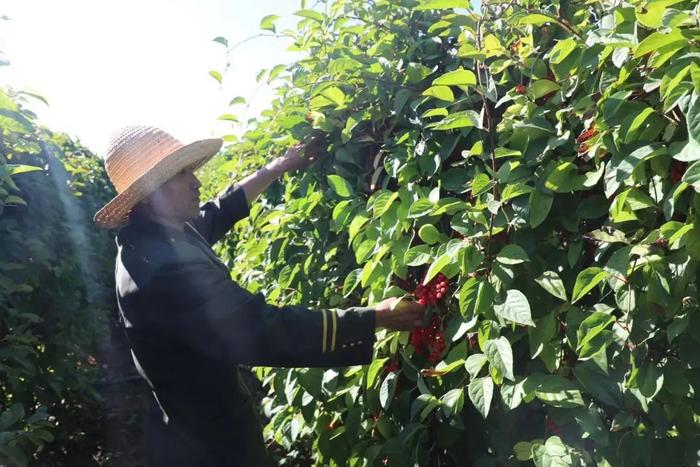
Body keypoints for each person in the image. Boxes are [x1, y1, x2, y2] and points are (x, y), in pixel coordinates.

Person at [93, 125, 425, 466]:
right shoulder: (159, 271)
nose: (196, 181)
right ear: (148, 193)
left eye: (190, 169)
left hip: (203, 426)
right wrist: (373, 318)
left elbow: (218, 212)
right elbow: (256, 327)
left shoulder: (161, 232)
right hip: (209, 447)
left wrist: (278, 167)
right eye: (181, 174)